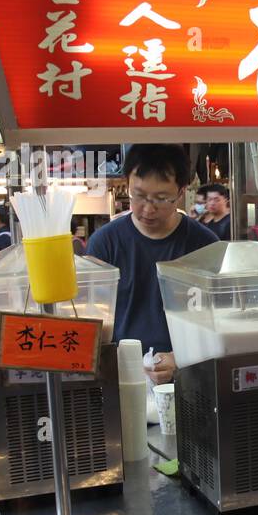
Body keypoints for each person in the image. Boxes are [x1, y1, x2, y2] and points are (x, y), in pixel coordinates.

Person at [88, 144, 217, 384]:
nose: (147, 209)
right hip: (120, 376)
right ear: (127, 183)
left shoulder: (205, 246)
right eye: (139, 196)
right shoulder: (104, 244)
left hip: (187, 376)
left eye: (161, 199)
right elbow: (92, 322)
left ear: (181, 192)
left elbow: (217, 322)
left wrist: (181, 359)